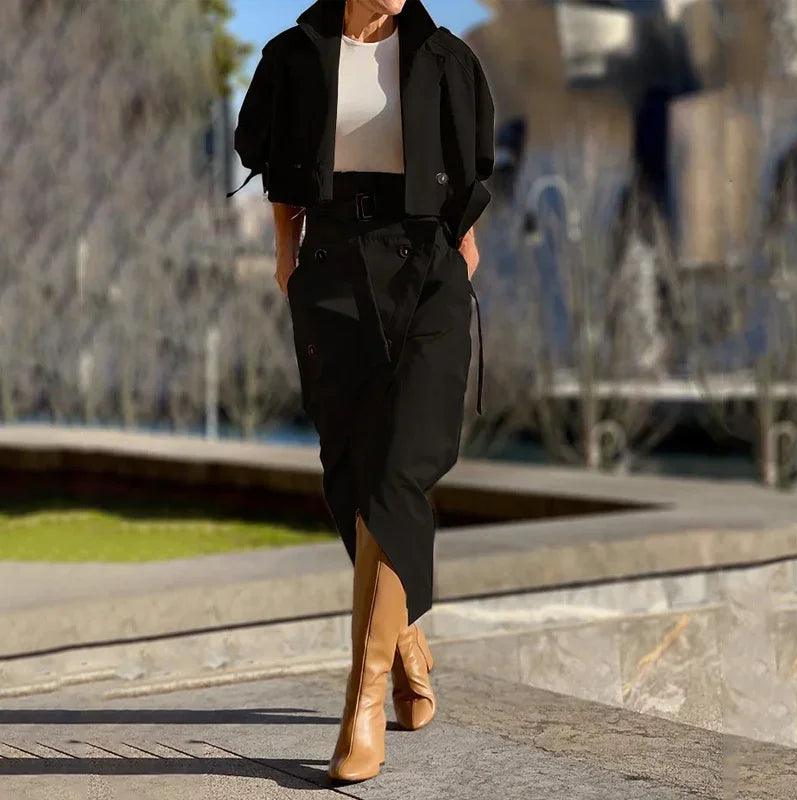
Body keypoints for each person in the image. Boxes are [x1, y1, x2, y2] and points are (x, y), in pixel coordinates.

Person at [230, 0, 494, 783]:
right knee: (349, 472)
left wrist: (457, 271)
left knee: (397, 470)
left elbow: (471, 192)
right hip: (334, 273)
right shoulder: (294, 55)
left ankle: (364, 701)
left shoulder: (449, 59)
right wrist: (287, 254)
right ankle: (405, 639)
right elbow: (278, 165)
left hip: (427, 278)